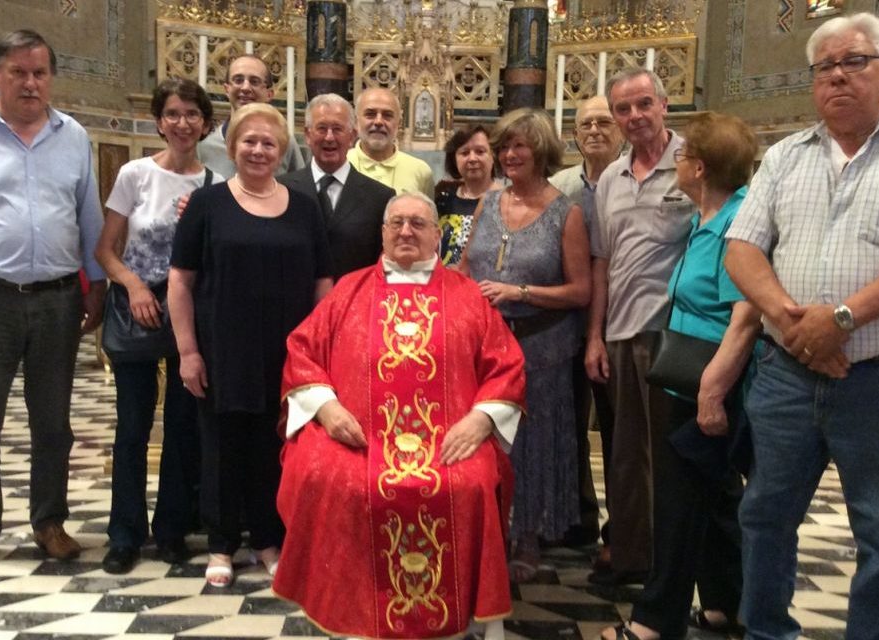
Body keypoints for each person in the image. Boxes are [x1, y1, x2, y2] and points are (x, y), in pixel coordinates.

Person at [725, 13, 879, 639]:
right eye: (826, 67)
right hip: (787, 373)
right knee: (764, 515)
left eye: (856, 62)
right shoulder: (786, 156)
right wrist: (796, 326)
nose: (839, 77)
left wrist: (841, 320)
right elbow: (743, 248)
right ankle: (767, 632)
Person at [273, 192, 525, 640]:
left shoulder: (467, 295)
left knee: (470, 483)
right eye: (397, 224)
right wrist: (327, 409)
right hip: (358, 439)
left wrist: (482, 420)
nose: (406, 232)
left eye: (418, 224)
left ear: (437, 236)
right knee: (330, 479)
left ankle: (462, 614)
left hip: (449, 440)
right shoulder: (348, 289)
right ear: (383, 233)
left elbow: (506, 365)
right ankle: (349, 609)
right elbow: (302, 351)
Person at [0, 29, 106, 576]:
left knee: (53, 424)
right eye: (19, 72)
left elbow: (89, 218)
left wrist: (98, 284)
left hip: (58, 297)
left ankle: (50, 522)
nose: (31, 83)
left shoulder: (74, 136)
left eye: (39, 73)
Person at [602, 112, 760, 640]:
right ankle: (725, 606)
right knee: (714, 497)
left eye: (687, 154)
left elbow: (744, 314)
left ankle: (653, 620)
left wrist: (713, 391)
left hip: (707, 379)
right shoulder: (706, 217)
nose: (679, 161)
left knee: (678, 505)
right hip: (687, 376)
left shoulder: (735, 226)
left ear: (700, 167)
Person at [169, 102, 332, 588]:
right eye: (249, 141)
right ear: (233, 146)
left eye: (269, 143)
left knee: (274, 445)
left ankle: (267, 538)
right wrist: (188, 351)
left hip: (287, 350)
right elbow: (180, 281)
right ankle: (221, 543)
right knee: (221, 447)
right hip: (223, 348)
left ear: (282, 151)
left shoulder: (304, 207)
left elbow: (323, 282)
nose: (259, 150)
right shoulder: (207, 203)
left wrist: (318, 351)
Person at [95, 79, 218, 575]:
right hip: (138, 311)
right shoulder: (134, 174)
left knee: (184, 429)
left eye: (192, 114)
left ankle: (171, 529)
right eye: (173, 113)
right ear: (158, 121)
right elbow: (105, 248)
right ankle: (124, 533)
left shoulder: (212, 185)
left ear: (206, 124)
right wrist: (135, 287)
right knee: (132, 428)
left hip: (189, 317)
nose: (183, 123)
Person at [463, 108, 592, 581]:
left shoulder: (566, 211)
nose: (511, 154)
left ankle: (529, 537)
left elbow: (581, 291)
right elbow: (465, 268)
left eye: (521, 146)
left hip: (541, 349)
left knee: (530, 446)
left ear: (542, 153)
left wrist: (521, 292)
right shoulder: (488, 203)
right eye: (505, 146)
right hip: (483, 348)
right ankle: (489, 527)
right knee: (487, 442)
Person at [585, 68, 695, 585]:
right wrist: (595, 336)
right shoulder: (612, 176)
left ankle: (676, 567)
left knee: (674, 457)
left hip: (677, 335)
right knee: (625, 454)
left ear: (665, 104)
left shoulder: (695, 164)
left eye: (643, 104)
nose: (634, 117)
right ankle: (633, 555)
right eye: (623, 110)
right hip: (621, 332)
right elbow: (602, 262)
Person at [549, 95, 624, 547]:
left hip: (624, 321)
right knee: (570, 425)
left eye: (603, 122)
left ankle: (624, 531)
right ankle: (577, 515)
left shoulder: (636, 179)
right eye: (585, 124)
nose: (594, 131)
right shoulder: (559, 185)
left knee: (620, 432)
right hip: (568, 324)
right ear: (574, 134)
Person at [278, 93, 395, 280]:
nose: (329, 137)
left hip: (354, 304)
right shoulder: (282, 189)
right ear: (307, 135)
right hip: (295, 304)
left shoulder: (380, 197)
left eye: (338, 129)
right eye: (321, 128)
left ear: (352, 136)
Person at [197, 54, 304, 177]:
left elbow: (300, 186)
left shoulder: (285, 142)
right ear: (227, 89)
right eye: (238, 80)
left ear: (269, 94)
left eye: (254, 81)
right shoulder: (205, 147)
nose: (246, 88)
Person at [347, 87, 435, 196]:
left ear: (399, 123)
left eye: (387, 115)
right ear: (356, 121)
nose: (378, 122)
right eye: (370, 114)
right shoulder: (342, 164)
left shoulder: (421, 171)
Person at [435, 124, 498, 267]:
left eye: (480, 152)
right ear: (454, 159)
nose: (472, 158)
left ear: (493, 156)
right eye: (464, 153)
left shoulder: (505, 201)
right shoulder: (442, 198)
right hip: (445, 283)